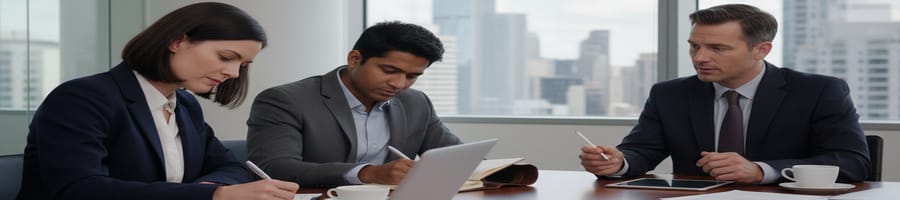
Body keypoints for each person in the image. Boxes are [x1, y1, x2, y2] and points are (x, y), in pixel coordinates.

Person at [18, 2, 299, 200]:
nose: (233, 73)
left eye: (244, 65)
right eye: (226, 57)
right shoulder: (82, 98)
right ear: (176, 42)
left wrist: (214, 188)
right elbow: (80, 189)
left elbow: (232, 168)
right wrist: (213, 194)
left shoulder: (185, 107)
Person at [579, 4, 870, 184]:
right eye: (695, 46)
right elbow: (642, 151)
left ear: (761, 50)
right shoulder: (670, 94)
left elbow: (851, 162)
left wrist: (760, 171)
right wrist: (619, 163)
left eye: (717, 48)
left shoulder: (818, 91)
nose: (700, 57)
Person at [246, 21, 462, 188]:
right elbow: (274, 167)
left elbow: (455, 156)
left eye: (412, 76)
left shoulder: (416, 102)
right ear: (354, 59)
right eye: (389, 71)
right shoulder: (285, 100)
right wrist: (368, 173)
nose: (399, 84)